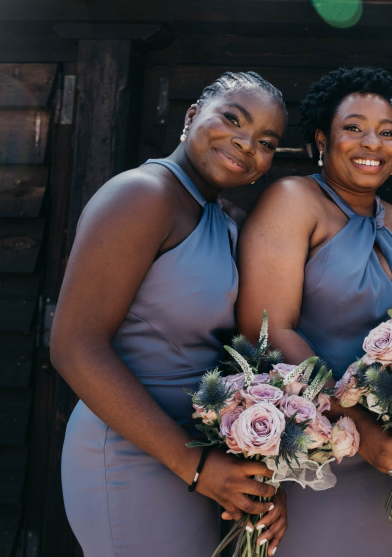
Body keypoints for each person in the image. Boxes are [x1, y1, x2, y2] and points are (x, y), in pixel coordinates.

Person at [53, 72, 290, 555]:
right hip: (129, 450)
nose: (246, 145)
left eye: (265, 142)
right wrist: (198, 467)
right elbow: (74, 348)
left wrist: (253, 468)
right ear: (190, 117)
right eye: (232, 120)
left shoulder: (224, 220)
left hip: (197, 455)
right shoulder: (142, 195)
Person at [236, 67, 392, 556]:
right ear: (322, 138)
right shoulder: (294, 199)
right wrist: (359, 430)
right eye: (354, 128)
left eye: (387, 133)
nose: (373, 142)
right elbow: (268, 329)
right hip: (315, 447)